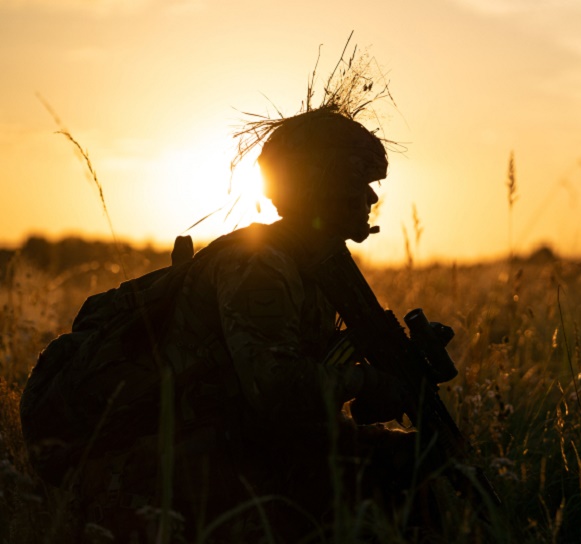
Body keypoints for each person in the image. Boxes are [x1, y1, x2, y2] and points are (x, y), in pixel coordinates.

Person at [71, 108, 437, 542]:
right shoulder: (261, 264)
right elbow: (276, 389)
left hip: (237, 448)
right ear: (325, 188)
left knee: (416, 461)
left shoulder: (315, 264)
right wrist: (365, 382)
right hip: (171, 470)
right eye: (361, 184)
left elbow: (298, 395)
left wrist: (378, 384)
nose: (371, 199)